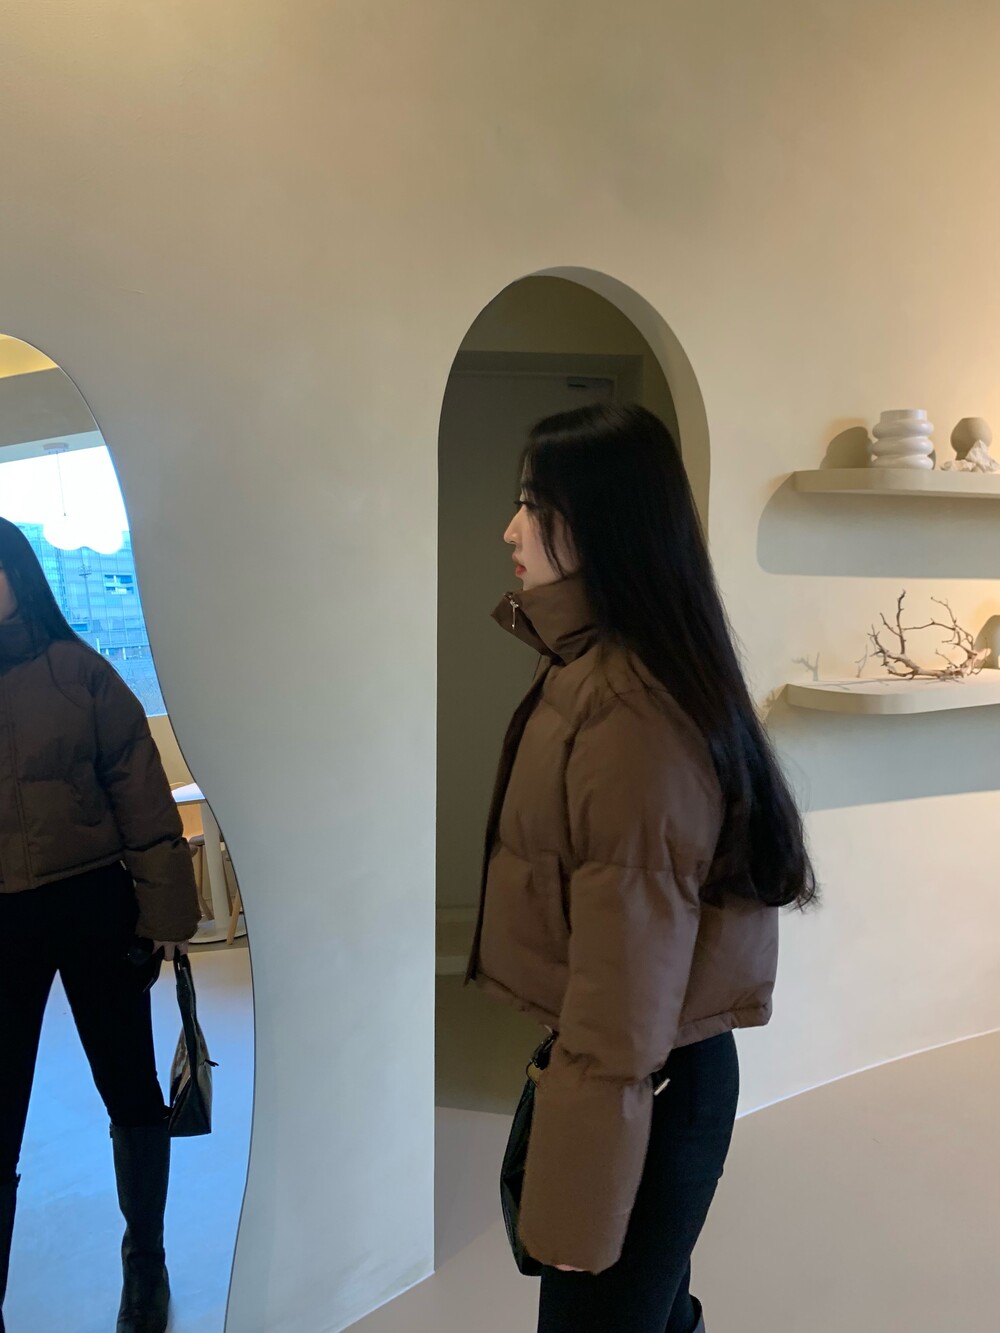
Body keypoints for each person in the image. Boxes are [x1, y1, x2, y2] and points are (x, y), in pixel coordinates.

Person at [465, 403, 817, 1333]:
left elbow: (626, 986)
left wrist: (580, 1195)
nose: (510, 529)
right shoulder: (596, 668)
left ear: (600, 523)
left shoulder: (627, 708)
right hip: (652, 1075)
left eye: (532, 504)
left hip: (648, 1082)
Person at [0, 518, 200, 1333]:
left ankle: (145, 1263)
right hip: (1, 921)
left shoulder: (81, 672)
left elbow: (143, 799)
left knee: (131, 1090)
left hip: (92, 905)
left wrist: (168, 914)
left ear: (17, 574)